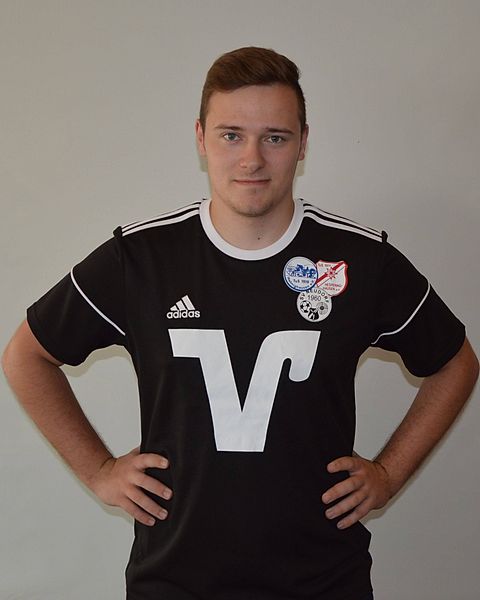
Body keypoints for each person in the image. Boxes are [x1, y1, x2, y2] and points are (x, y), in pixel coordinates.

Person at [2, 46, 478, 600]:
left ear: (303, 143)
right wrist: (100, 470)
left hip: (323, 580)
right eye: (232, 135)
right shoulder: (141, 260)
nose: (252, 159)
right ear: (201, 138)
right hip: (174, 580)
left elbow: (455, 363)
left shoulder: (360, 261)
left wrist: (389, 474)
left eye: (275, 137)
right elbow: (26, 356)